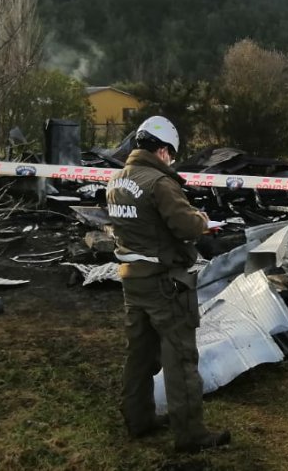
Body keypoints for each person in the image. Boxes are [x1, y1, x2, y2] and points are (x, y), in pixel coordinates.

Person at [105, 116, 231, 454]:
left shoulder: (116, 179)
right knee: (180, 358)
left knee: (140, 356)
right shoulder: (159, 183)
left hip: (132, 280)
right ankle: (191, 434)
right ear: (162, 151)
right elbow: (186, 226)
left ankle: (139, 418)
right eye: (171, 155)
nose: (170, 161)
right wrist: (203, 221)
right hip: (164, 283)